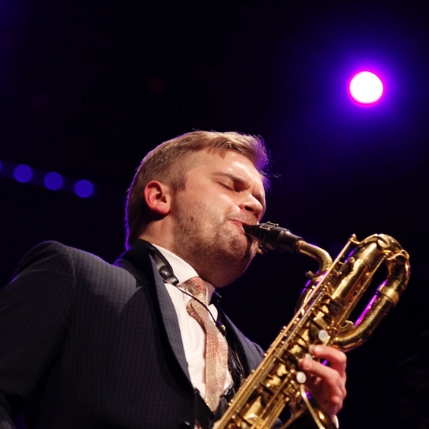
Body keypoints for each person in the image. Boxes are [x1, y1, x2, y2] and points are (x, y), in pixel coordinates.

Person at [0, 131, 346, 429]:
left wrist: (312, 416)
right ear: (159, 197)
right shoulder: (75, 276)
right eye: (232, 186)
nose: (255, 206)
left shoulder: (256, 359)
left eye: (260, 202)